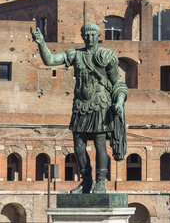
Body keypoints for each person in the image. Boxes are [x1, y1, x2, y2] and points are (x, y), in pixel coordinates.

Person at [31, 23, 128, 193]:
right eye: (87, 35)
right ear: (83, 37)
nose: (90, 38)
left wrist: (119, 102)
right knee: (78, 147)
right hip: (81, 106)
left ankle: (100, 182)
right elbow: (50, 60)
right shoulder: (76, 55)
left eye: (93, 35)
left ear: (98, 36)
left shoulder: (106, 55)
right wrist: (41, 43)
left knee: (100, 145)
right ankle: (86, 181)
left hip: (100, 105)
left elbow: (118, 83)